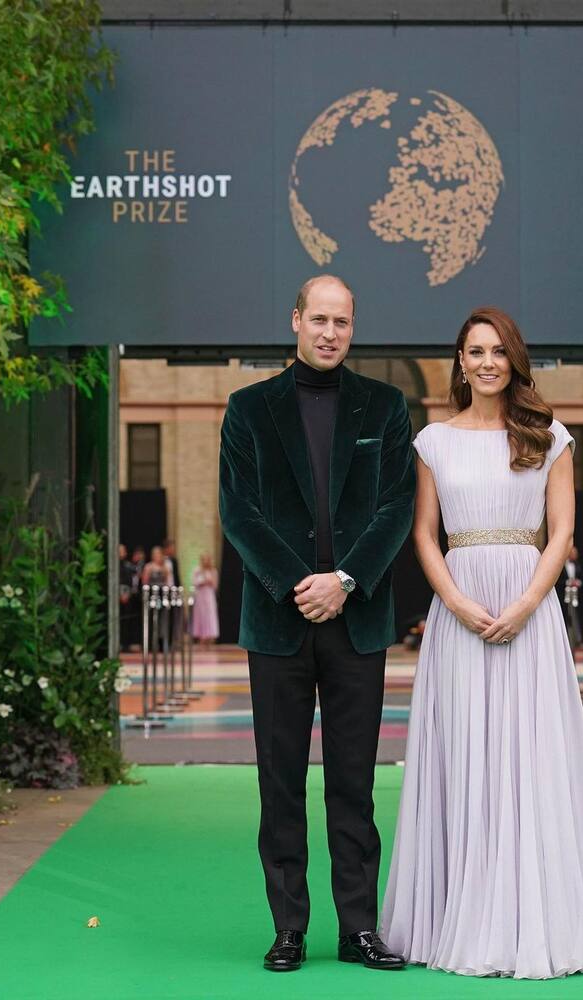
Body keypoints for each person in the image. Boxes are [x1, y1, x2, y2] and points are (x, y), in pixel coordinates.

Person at [380, 306, 583, 979]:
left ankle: (530, 921)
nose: (486, 361)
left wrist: (522, 606)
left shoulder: (551, 437)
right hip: (457, 615)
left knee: (527, 756)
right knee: (462, 756)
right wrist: (454, 602)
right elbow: (425, 534)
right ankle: (455, 914)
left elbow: (562, 535)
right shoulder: (432, 441)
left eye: (498, 350)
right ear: (459, 361)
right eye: (474, 350)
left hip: (529, 611)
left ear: (515, 359)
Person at [219, 274, 416, 973]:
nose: (330, 332)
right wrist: (300, 586)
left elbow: (397, 507)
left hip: (356, 621)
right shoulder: (247, 410)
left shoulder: (387, 407)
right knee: (279, 781)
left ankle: (359, 928)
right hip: (278, 622)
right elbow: (239, 512)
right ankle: (289, 928)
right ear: (295, 319)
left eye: (342, 322)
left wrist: (345, 581)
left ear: (352, 327)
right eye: (319, 319)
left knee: (354, 781)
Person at [556, 544, 583, 646]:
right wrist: (568, 583)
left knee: (577, 619)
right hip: (563, 598)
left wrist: (578, 583)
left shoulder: (578, 566)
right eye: (573, 552)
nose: (575, 554)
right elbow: (557, 581)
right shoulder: (560, 564)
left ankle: (578, 639)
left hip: (577, 598)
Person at [191, 553, 220, 645]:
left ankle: (210, 636)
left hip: (209, 595)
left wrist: (209, 581)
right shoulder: (197, 570)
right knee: (201, 615)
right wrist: (202, 581)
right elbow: (194, 582)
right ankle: (201, 636)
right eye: (204, 559)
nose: (206, 561)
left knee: (210, 615)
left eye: (207, 559)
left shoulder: (213, 571)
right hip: (200, 595)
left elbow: (215, 585)